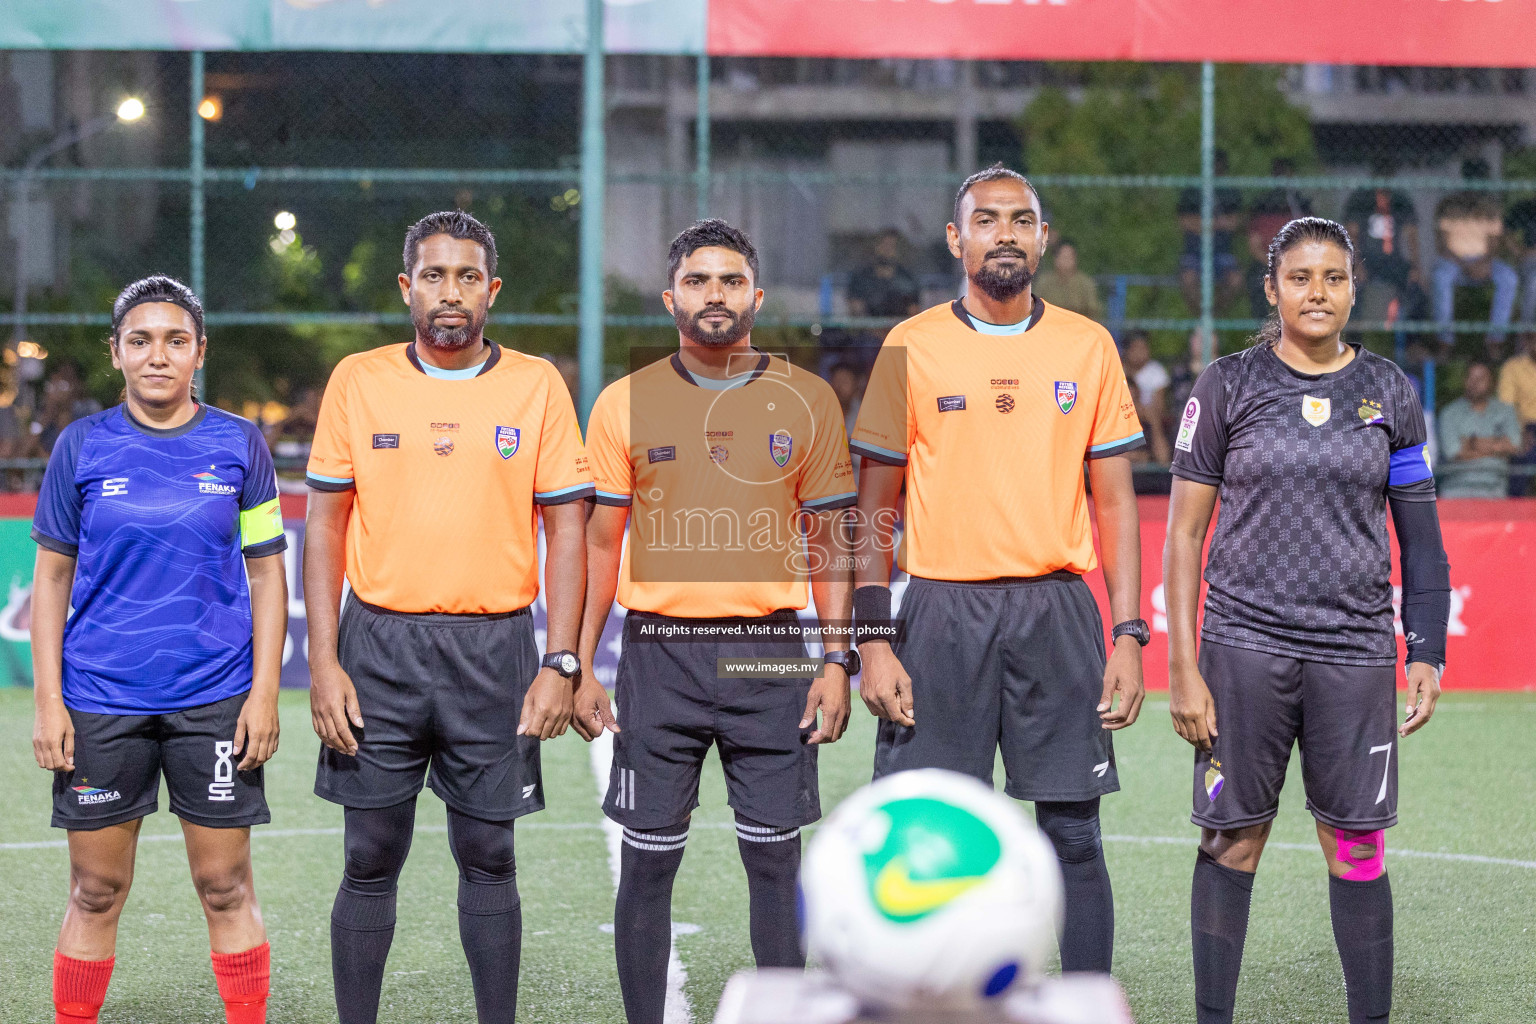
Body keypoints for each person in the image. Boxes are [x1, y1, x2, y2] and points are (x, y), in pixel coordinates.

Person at [850, 164, 1149, 975]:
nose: (1005, 234)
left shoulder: (1087, 346)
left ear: (1043, 238)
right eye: (987, 220)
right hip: (940, 617)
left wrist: (1128, 633)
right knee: (928, 837)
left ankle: (1086, 1001)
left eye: (1022, 220)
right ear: (957, 239)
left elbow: (1115, 504)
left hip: (1056, 613)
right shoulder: (909, 345)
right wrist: (872, 642)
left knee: (1075, 835)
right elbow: (874, 508)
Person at [304, 211, 593, 1024]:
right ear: (407, 288)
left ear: (492, 291)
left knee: (490, 854)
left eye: (468, 277)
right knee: (369, 854)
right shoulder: (358, 381)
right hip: (378, 649)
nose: (450, 292)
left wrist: (560, 661)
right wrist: (324, 664)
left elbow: (566, 528)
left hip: (495, 648)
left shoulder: (536, 384)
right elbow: (323, 524)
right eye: (434, 275)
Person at [1164, 218, 1450, 1024]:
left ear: (1354, 287)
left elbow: (1422, 543)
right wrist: (1184, 669)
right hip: (1242, 648)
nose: (1316, 292)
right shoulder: (1227, 384)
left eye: (1332, 278)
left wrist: (1425, 648)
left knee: (1356, 847)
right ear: (1272, 290)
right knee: (1233, 840)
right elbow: (1184, 536)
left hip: (1355, 653)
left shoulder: (1390, 392)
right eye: (1299, 278)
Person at [577, 219, 857, 1024]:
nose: (715, 295)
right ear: (671, 299)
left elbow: (831, 543)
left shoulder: (806, 399)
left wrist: (837, 660)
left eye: (730, 281)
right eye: (698, 282)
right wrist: (580, 664)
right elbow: (602, 541)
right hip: (659, 653)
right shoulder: (624, 401)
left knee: (774, 862)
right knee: (649, 865)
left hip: (768, 653)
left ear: (756, 297)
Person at [30, 275, 288, 1024]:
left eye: (175, 341)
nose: (157, 356)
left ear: (198, 352)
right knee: (95, 891)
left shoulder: (239, 443)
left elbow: (268, 574)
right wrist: (50, 702)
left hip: (214, 699)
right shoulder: (80, 446)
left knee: (225, 886)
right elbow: (50, 581)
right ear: (117, 353)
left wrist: (264, 694)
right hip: (100, 702)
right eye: (140, 341)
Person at [1433, 177, 1516, 348]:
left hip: (1484, 263)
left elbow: (1494, 243)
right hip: (1454, 262)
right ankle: (1444, 340)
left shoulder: (1490, 208)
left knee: (1508, 277)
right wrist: (1464, 265)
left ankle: (1495, 339)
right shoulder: (1449, 207)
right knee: (1441, 277)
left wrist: (1483, 263)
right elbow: (1442, 245)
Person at [1343, 159, 1420, 326]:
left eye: (1388, 174)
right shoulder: (1361, 199)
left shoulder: (1400, 200)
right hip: (1367, 259)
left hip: (1393, 260)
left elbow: (1411, 236)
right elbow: (1350, 235)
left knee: (1415, 287)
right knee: (1352, 286)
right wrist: (1356, 263)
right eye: (1380, 174)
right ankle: (1353, 339)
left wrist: (1415, 266)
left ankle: (1411, 342)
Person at [1437, 362, 1522, 498]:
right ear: (1464, 381)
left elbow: (1514, 446)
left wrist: (1471, 444)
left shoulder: (1506, 411)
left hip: (1495, 488)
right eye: (1470, 378)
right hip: (1456, 488)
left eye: (1481, 379)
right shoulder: (1449, 413)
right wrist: (1497, 445)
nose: (1474, 383)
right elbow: (1454, 452)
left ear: (1492, 383)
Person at [1178, 149, 1245, 315]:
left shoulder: (1230, 192)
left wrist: (1204, 225)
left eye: (1218, 166)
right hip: (1195, 252)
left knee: (1235, 280)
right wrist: (1218, 223)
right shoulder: (1193, 191)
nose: (1215, 170)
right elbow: (1184, 221)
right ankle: (1202, 316)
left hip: (1221, 252)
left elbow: (1236, 222)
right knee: (1188, 278)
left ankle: (1214, 315)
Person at [1122, 331, 1172, 463]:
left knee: (1154, 420)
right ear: (1127, 350)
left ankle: (1160, 462)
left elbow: (1160, 407)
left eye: (1144, 348)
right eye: (1136, 348)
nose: (1141, 353)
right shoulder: (1118, 368)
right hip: (1123, 416)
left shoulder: (1156, 370)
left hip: (1149, 419)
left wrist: (1146, 413)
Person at [1497, 331, 1536, 495]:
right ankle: (1516, 505)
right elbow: (1506, 409)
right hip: (1525, 426)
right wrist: (1519, 432)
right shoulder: (1513, 367)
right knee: (1520, 450)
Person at [1031, 238, 1104, 322]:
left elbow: (1093, 312)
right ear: (1056, 259)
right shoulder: (1044, 282)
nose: (1066, 261)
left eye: (1069, 257)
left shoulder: (1085, 283)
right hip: (1050, 327)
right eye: (1063, 257)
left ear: (1075, 259)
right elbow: (1034, 309)